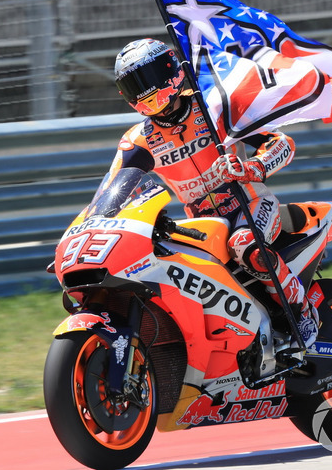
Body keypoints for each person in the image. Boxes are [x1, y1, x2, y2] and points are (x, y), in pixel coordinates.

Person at [110, 38, 319, 347]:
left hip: (250, 205)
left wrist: (253, 168)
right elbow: (114, 188)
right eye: (131, 84)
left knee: (245, 243)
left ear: (168, 71)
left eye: (144, 79)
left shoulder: (214, 107)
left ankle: (302, 311)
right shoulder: (138, 140)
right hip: (202, 227)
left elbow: (282, 143)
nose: (141, 90)